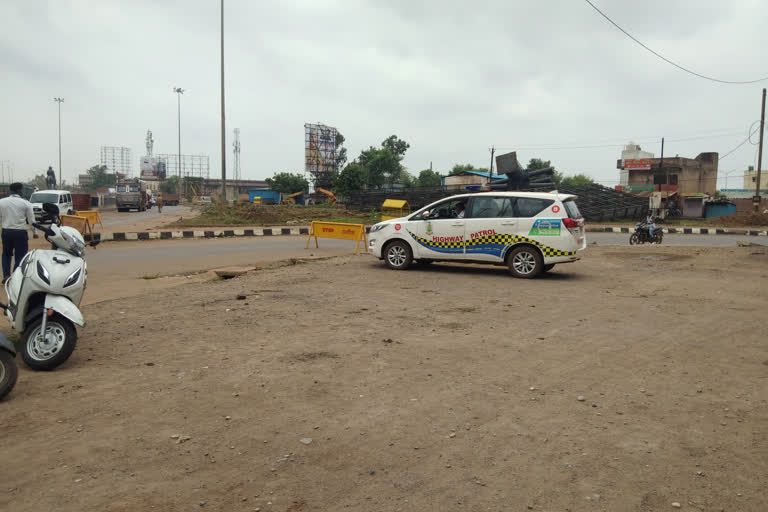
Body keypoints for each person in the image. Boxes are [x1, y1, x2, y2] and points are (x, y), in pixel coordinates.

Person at [0, 183, 36, 283]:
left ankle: (6, 275)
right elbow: (31, 220)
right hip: (20, 233)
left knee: (6, 254)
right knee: (20, 255)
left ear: (10, 190)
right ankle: (15, 276)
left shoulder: (1, 202)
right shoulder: (25, 203)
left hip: (6, 232)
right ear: (19, 190)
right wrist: (35, 232)